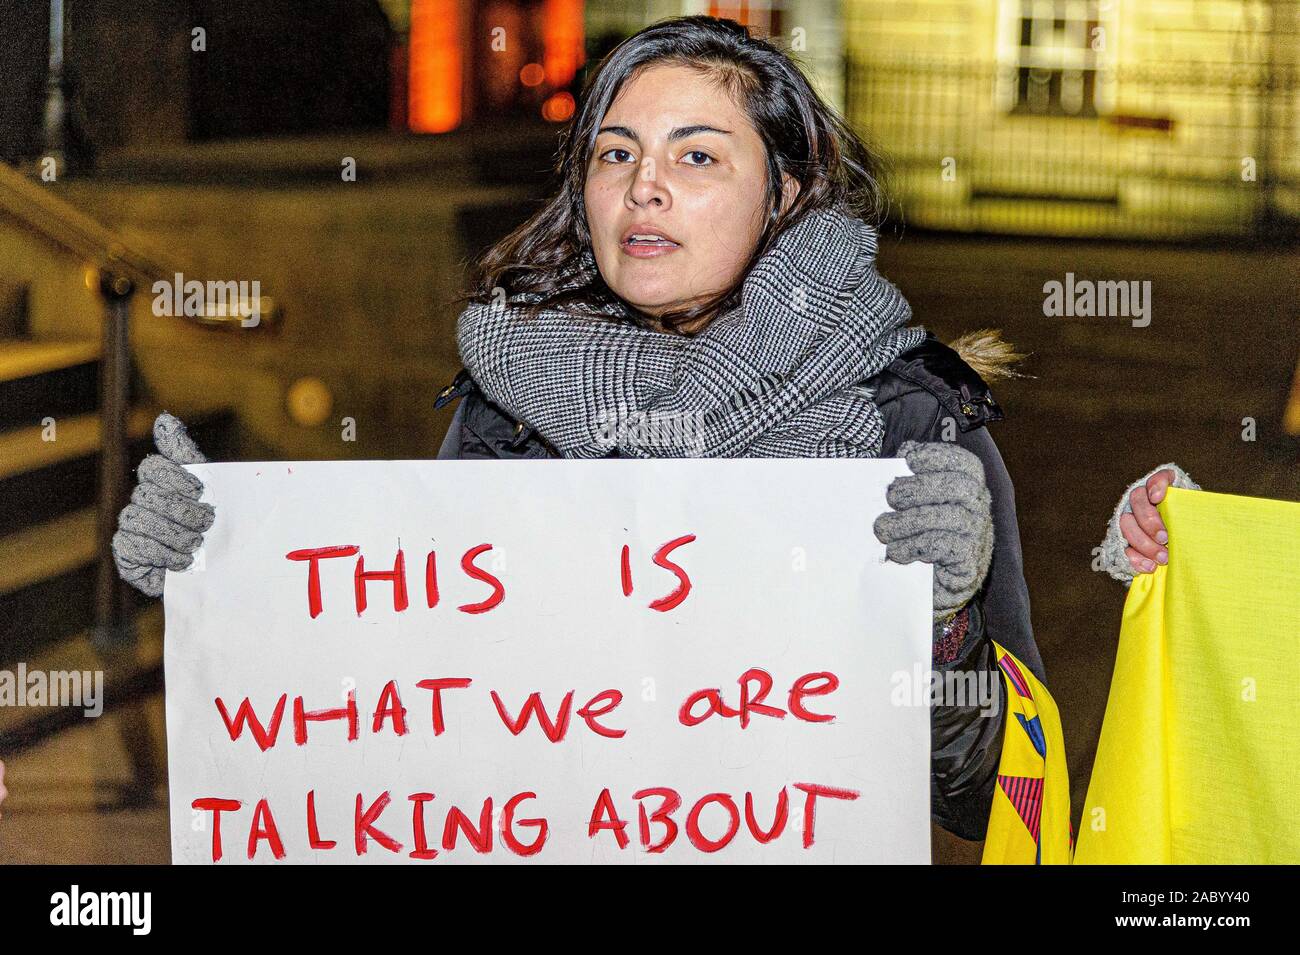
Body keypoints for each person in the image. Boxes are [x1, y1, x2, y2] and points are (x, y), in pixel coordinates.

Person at [109, 16, 1182, 848]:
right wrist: (227, 579)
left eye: (699, 157)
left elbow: (995, 795)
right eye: (614, 154)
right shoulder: (507, 397)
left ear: (787, 192)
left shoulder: (909, 418)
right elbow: (416, 708)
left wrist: (945, 629)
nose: (645, 185)